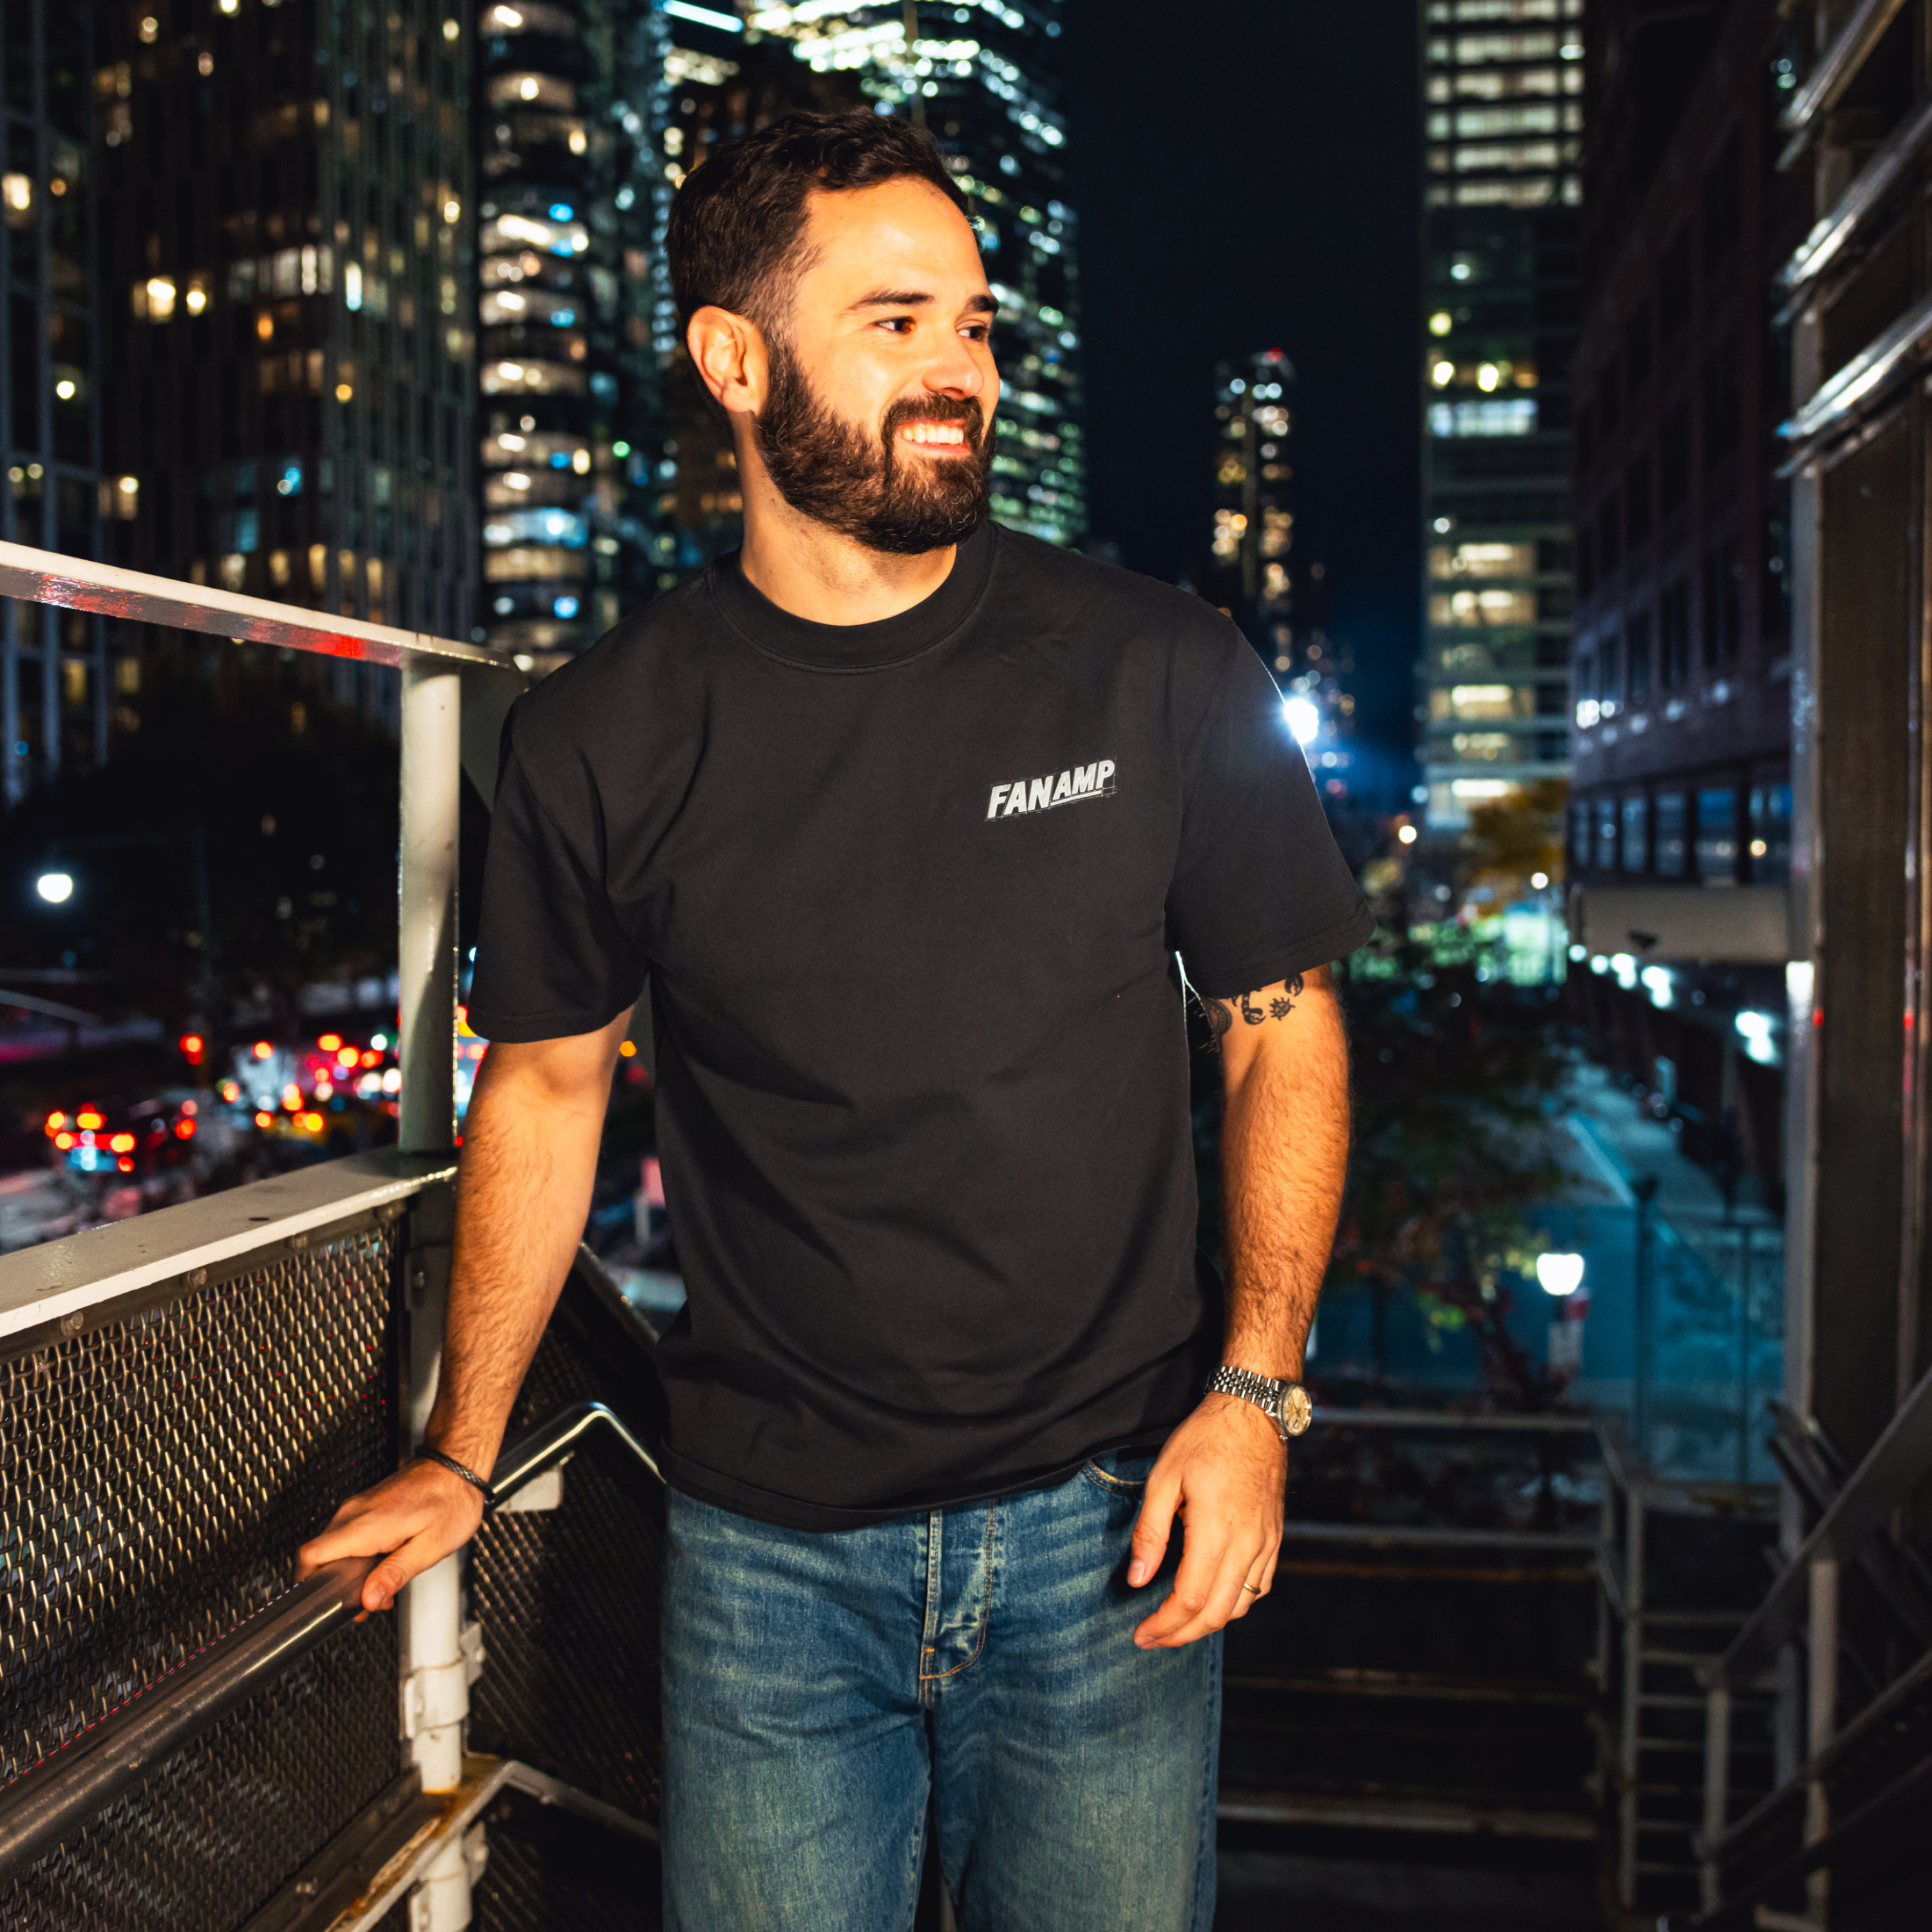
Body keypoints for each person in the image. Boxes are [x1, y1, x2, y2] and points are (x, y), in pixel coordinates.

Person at [299, 109, 1372, 1931]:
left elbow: (1282, 1029)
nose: (961, 372)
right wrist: (464, 1445)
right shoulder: (601, 737)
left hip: (1112, 1527)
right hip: (768, 1567)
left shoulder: (1162, 666)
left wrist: (1258, 1393)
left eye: (973, 324)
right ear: (736, 359)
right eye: (896, 324)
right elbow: (548, 1089)